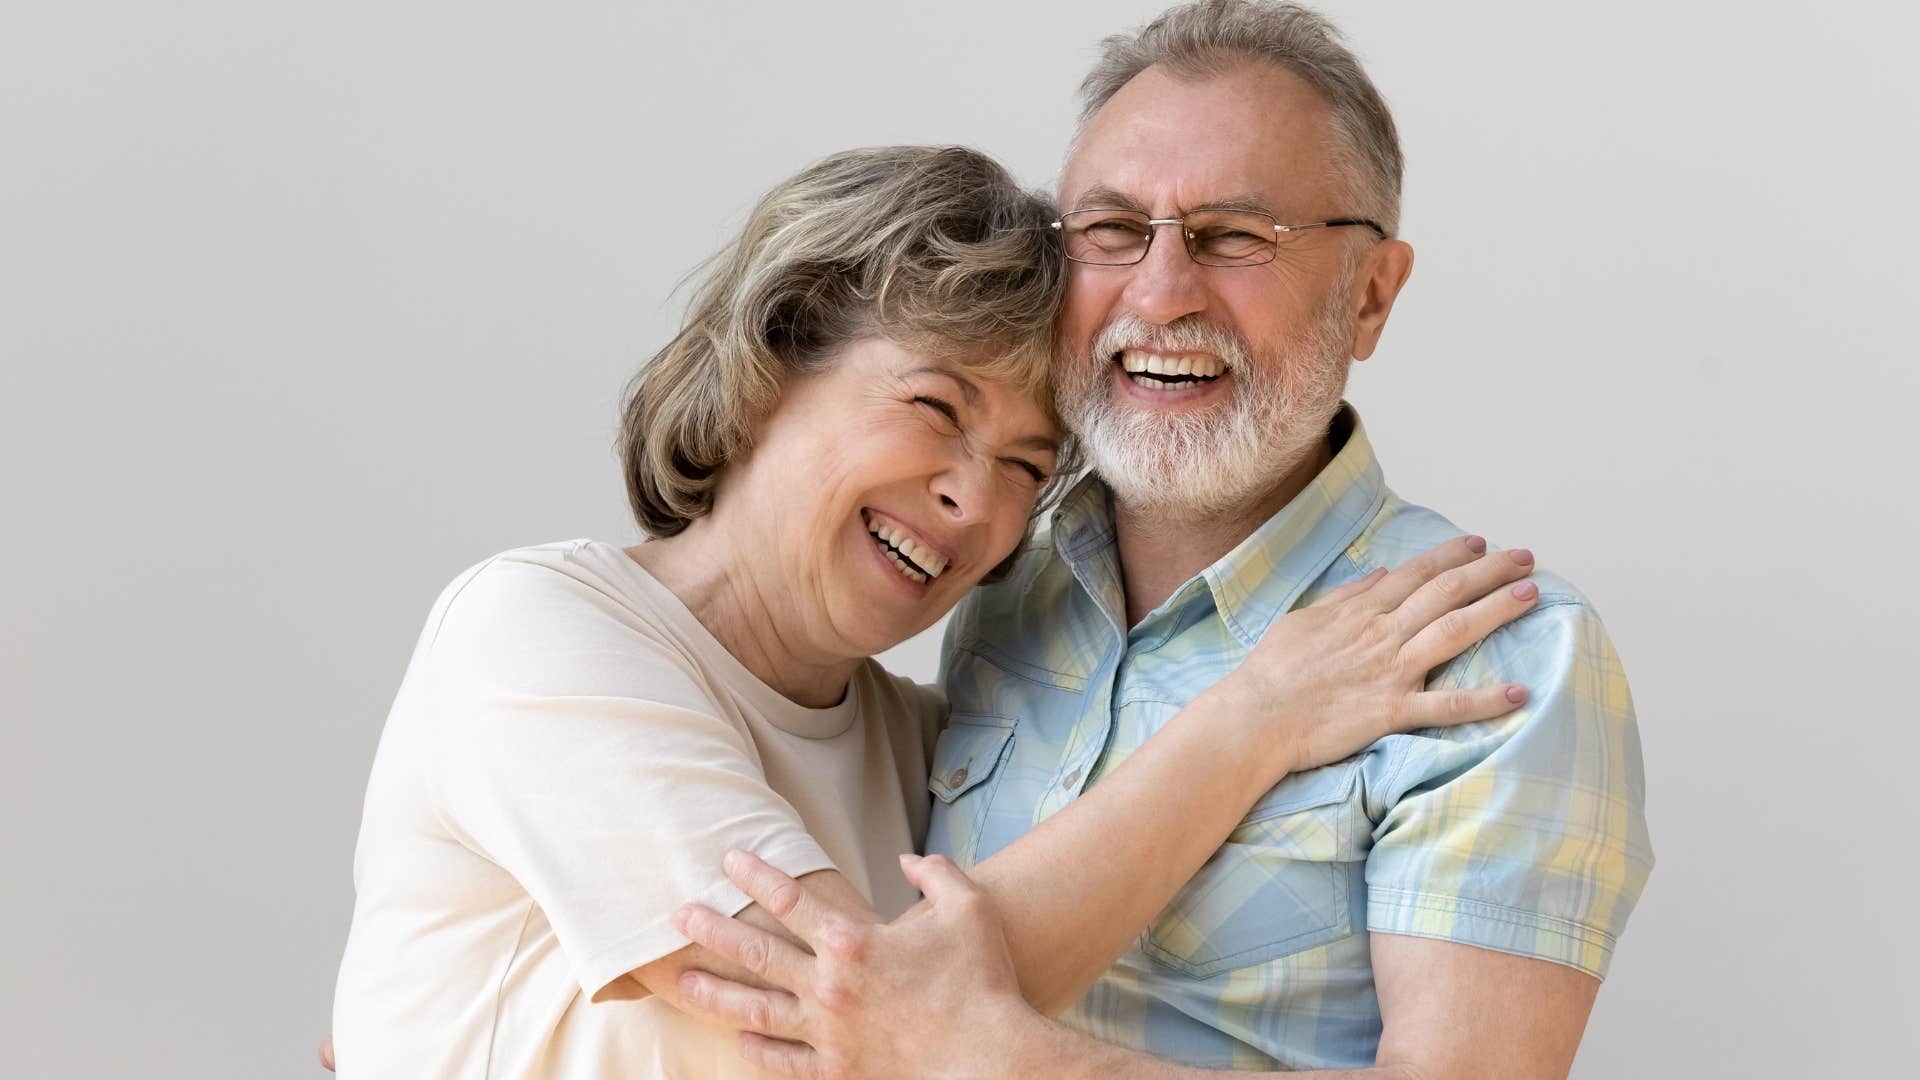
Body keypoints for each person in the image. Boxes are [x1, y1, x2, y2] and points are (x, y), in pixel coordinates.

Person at [327, 142, 1545, 1077]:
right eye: (933, 408)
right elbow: (875, 1020)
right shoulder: (538, 632)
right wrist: (1263, 713)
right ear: (775, 358)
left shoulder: (927, 750)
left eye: (1028, 466)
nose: (975, 499)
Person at [661, 3, 1655, 1078]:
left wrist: (1000, 1060)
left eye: (1235, 237)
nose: (1161, 290)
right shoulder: (999, 590)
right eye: (1113, 231)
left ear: (1372, 296)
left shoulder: (1499, 649)